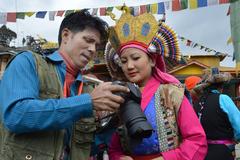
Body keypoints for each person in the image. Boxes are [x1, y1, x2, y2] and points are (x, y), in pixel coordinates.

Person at [0, 10, 129, 160]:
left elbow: (86, 148)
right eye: (88, 40)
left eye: (96, 45)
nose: (93, 49)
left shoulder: (87, 88)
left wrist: (115, 122)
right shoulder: (28, 63)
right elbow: (17, 115)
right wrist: (87, 102)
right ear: (66, 35)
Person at [104, 11, 207, 160]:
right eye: (124, 61)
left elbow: (197, 141)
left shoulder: (171, 94)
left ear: (152, 60)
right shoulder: (121, 97)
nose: (129, 66)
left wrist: (166, 158)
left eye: (136, 58)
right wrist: (119, 157)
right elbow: (114, 147)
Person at [193, 68, 240, 160]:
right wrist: (235, 138)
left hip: (201, 152)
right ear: (221, 86)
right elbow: (239, 127)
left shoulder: (197, 103)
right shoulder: (223, 98)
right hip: (222, 152)